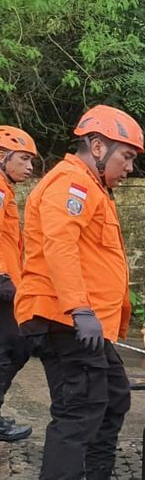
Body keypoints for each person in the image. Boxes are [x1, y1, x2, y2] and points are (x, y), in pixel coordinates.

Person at [15, 105, 144, 480]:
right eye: (126, 157)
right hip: (65, 321)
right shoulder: (69, 185)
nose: (129, 167)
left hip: (87, 325)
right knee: (76, 415)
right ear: (97, 146)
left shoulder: (93, 189)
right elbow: (60, 245)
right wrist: (79, 308)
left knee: (113, 398)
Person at [0, 125, 37, 442]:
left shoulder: (5, 190)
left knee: (14, 348)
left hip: (10, 283)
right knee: (15, 347)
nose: (29, 167)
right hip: (2, 285)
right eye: (23, 159)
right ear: (2, 156)